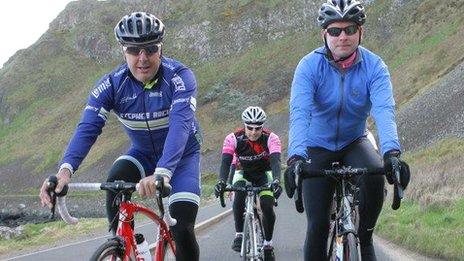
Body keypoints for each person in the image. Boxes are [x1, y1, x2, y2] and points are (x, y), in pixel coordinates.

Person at [39, 12, 202, 261]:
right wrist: (64, 172)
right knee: (115, 180)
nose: (143, 58)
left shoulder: (179, 77)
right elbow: (88, 128)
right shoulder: (112, 85)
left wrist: (163, 172)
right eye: (134, 50)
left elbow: (180, 125)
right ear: (123, 51)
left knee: (181, 227)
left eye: (150, 49)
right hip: (142, 154)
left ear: (161, 48)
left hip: (181, 159)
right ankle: (124, 243)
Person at [285, 1, 410, 260]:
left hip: (354, 141)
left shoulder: (375, 67)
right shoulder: (308, 66)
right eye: (335, 31)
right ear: (324, 35)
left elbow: (385, 109)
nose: (343, 36)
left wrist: (392, 153)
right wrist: (296, 157)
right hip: (317, 145)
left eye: (350, 29)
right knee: (317, 227)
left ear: (360, 32)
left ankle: (365, 239)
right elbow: (300, 113)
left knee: (375, 176)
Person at [214, 106, 282, 261]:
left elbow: (276, 162)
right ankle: (239, 235)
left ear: (262, 126)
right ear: (244, 125)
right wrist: (222, 181)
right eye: (249, 128)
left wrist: (277, 180)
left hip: (264, 174)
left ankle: (268, 244)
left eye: (258, 128)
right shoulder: (233, 138)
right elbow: (225, 163)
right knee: (239, 194)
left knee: (267, 205)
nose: (253, 132)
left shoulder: (272, 138)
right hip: (243, 173)